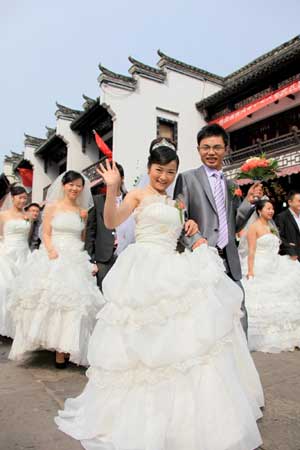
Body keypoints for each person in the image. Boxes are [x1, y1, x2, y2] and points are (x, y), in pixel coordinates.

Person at [55, 143, 263, 450]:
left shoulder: (175, 202)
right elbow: (111, 221)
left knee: (182, 342)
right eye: (159, 170)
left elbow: (177, 232)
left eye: (170, 172)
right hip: (144, 269)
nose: (164, 177)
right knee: (143, 341)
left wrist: (188, 225)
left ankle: (184, 415)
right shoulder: (138, 196)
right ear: (149, 169)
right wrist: (112, 190)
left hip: (172, 266)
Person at [174, 124, 264, 335]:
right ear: (198, 149)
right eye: (206, 147)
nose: (211, 152)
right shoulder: (187, 178)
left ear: (226, 149)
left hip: (229, 258)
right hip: (202, 257)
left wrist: (249, 202)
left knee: (237, 308)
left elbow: (234, 223)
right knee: (204, 312)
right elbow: (179, 215)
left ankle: (240, 356)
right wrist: (195, 240)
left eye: (216, 147)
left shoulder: (231, 184)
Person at [9, 171, 105, 368]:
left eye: (78, 185)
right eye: (71, 185)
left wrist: (82, 260)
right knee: (51, 303)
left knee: (74, 305)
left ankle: (65, 349)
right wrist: (51, 250)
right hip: (54, 255)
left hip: (75, 258)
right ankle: (50, 345)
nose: (75, 189)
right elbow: (45, 232)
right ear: (64, 185)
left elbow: (81, 237)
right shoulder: (52, 207)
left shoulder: (82, 212)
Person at [242, 199, 300, 352]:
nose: (271, 211)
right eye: (268, 208)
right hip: (261, 266)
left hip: (275, 264)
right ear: (259, 210)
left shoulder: (271, 226)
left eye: (272, 208)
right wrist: (250, 270)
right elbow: (252, 250)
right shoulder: (254, 227)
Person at [85, 163, 135, 290]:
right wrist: (91, 261)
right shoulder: (97, 201)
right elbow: (90, 232)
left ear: (122, 178)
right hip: (104, 259)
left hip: (129, 257)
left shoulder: (133, 199)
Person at [0, 185, 30, 337]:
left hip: (24, 253)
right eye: (20, 197)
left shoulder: (27, 215)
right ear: (12, 198)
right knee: (5, 288)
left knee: (23, 290)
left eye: (25, 198)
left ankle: (19, 327)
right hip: (7, 253)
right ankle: (4, 324)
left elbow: (28, 236)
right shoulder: (3, 215)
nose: (23, 200)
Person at [275, 191, 300, 262]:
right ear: (290, 202)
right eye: (299, 201)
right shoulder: (281, 217)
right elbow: (279, 236)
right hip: (292, 255)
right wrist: (290, 249)